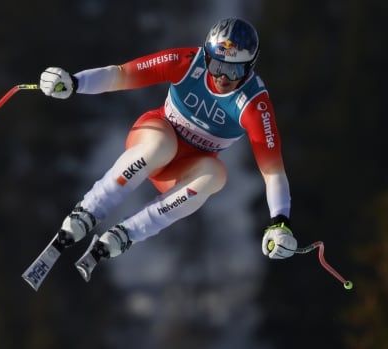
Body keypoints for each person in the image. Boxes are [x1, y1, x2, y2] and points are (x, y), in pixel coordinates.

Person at [39, 17, 297, 282]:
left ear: (250, 67)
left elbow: (273, 172)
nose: (222, 77)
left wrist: (280, 222)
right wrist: (74, 83)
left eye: (234, 71)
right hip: (153, 137)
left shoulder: (254, 105)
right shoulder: (187, 62)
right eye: (216, 65)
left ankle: (127, 234)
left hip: (182, 169)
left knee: (215, 175)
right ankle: (89, 210)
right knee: (162, 146)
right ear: (206, 56)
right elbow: (122, 75)